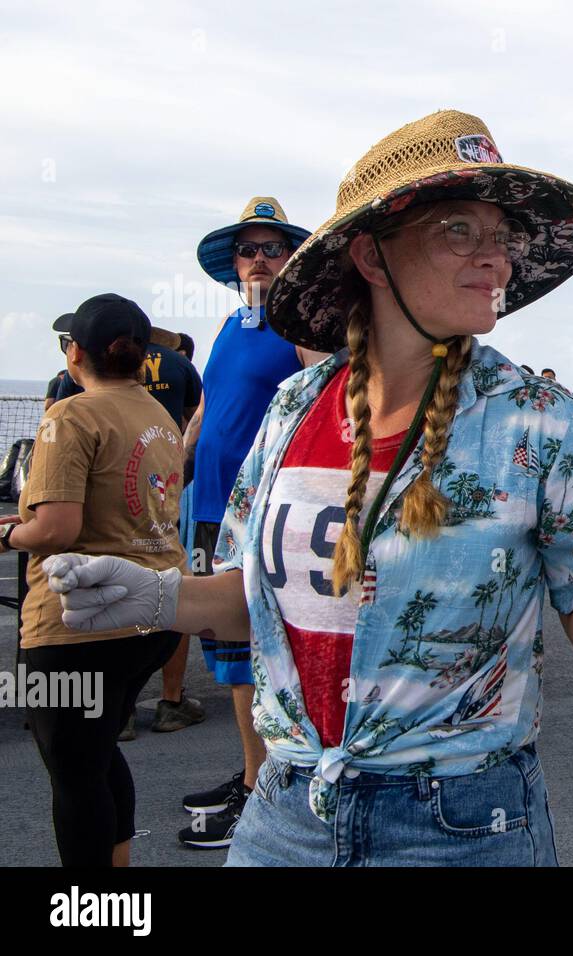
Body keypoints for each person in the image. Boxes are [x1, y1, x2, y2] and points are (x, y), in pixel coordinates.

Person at [45, 109, 573, 867]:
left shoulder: (538, 423)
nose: (496, 263)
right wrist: (156, 597)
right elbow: (249, 598)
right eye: (460, 232)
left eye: (501, 238)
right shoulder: (294, 407)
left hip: (463, 827)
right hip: (285, 816)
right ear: (372, 257)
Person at [0, 294, 187, 866]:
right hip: (155, 615)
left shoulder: (71, 414)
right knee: (99, 755)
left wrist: (10, 535)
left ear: (74, 353)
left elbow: (56, 527)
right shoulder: (159, 417)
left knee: (74, 775)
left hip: (77, 628)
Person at [179, 196, 329, 847]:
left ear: (292, 258)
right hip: (206, 508)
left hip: (256, 513)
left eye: (274, 248)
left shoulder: (297, 324)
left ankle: (256, 792)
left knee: (249, 659)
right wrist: (173, 466)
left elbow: (321, 398)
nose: (260, 258)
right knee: (227, 655)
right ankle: (250, 775)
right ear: (234, 261)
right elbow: (209, 406)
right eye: (249, 248)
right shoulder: (231, 324)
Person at [51, 317, 206, 738]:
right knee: (169, 591)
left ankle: (116, 716)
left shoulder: (73, 389)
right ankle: (171, 701)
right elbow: (196, 423)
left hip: (96, 511)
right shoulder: (178, 365)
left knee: (97, 594)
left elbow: (57, 438)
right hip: (159, 495)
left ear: (78, 349)